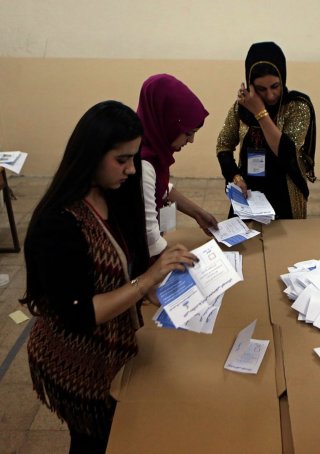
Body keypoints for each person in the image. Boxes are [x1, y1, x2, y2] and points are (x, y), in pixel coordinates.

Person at [20, 101, 198, 453]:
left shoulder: (114, 194)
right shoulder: (57, 224)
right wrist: (146, 281)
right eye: (122, 160)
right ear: (90, 155)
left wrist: (161, 285)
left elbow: (124, 267)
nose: (131, 169)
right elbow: (81, 313)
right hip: (75, 358)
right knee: (93, 439)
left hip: (112, 343)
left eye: (134, 158)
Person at [216, 41, 317, 219]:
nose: (270, 95)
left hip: (285, 192)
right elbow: (224, 145)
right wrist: (235, 177)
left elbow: (286, 153)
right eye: (261, 89)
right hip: (249, 192)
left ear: (282, 78)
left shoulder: (296, 106)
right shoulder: (241, 108)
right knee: (242, 243)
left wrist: (259, 112)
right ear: (250, 84)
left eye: (275, 86)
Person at [138, 74, 218, 257]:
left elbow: (160, 188)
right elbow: (150, 237)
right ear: (167, 122)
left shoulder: (152, 149)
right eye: (188, 133)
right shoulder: (142, 164)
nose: (191, 140)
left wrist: (198, 213)